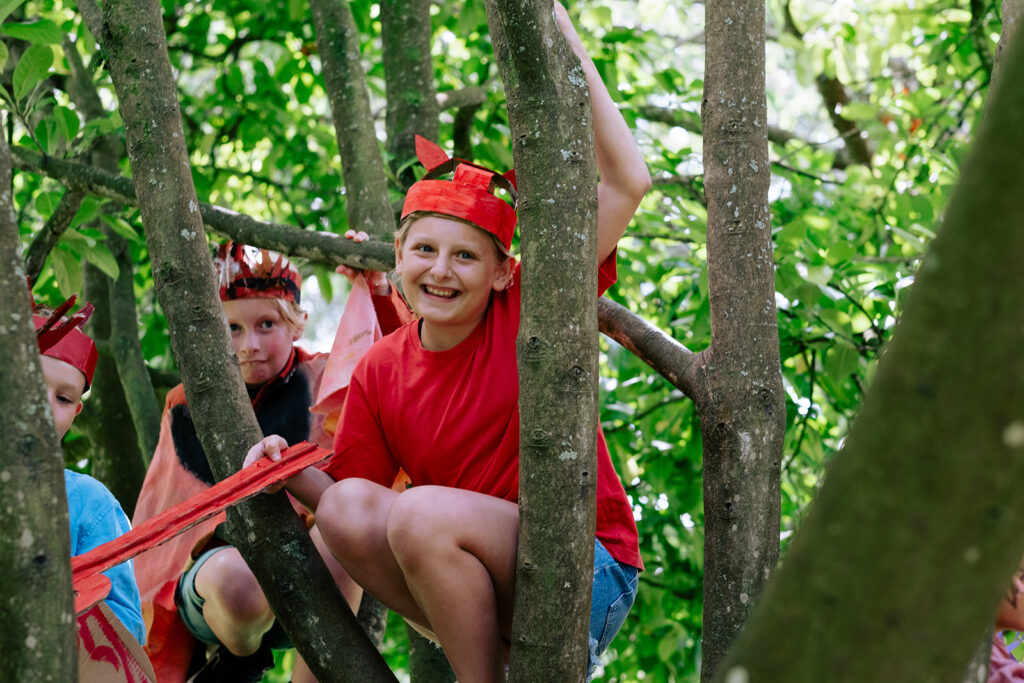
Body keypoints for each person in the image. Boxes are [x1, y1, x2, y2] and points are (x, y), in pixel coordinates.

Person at [244, 4, 651, 680]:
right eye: (424, 249)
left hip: (587, 567)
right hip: (471, 575)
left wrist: (560, 34)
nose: (440, 269)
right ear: (398, 256)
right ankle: (488, 661)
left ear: (500, 272)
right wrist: (280, 466)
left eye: (465, 256)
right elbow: (352, 505)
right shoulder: (381, 370)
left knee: (419, 514)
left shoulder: (532, 303)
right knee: (351, 507)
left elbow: (627, 184)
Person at [131, 243, 401, 683]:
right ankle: (241, 660)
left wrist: (378, 290)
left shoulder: (330, 383)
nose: (248, 345)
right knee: (238, 582)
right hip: (217, 595)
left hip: (311, 582)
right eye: (232, 328)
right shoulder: (185, 404)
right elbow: (163, 526)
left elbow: (402, 368)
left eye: (266, 324)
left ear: (296, 324)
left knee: (343, 523)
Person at [33, 301, 146, 646]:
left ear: (76, 412)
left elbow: (127, 633)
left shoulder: (89, 503)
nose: (44, 407)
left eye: (63, 399)